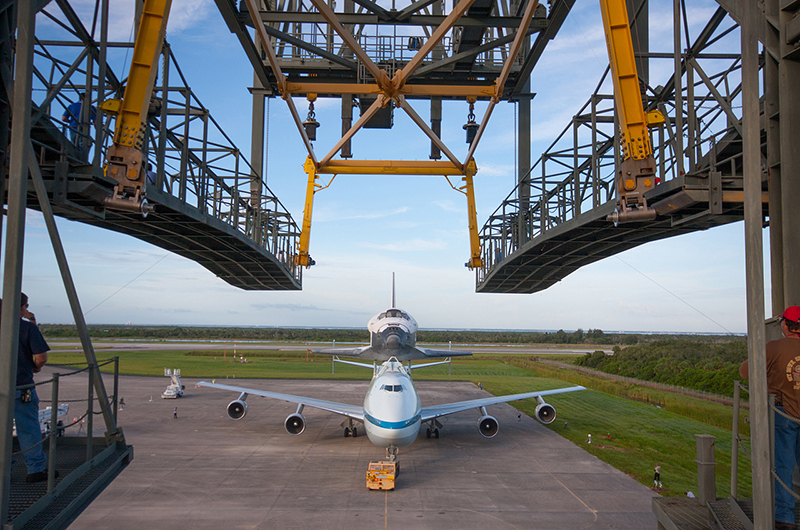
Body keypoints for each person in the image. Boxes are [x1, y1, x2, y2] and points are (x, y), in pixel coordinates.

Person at [740, 306, 800, 530]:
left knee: (783, 466)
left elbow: (746, 371)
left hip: (783, 413)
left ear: (785, 324)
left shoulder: (775, 347)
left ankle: (785, 518)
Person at [9, 293, 55, 483]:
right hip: (21, 386)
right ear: (21, 308)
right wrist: (35, 367)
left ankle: (5, 470)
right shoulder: (26, 328)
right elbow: (40, 357)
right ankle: (35, 469)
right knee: (28, 429)